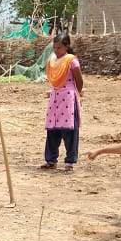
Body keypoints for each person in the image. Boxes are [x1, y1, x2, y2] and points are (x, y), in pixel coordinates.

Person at [41, 33, 84, 172]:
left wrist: (77, 94)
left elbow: (79, 80)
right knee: (52, 129)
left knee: (69, 129)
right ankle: (50, 159)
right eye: (54, 47)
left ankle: (69, 162)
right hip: (55, 97)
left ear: (66, 46)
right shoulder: (53, 60)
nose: (56, 50)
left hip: (69, 98)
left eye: (59, 48)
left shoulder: (71, 61)